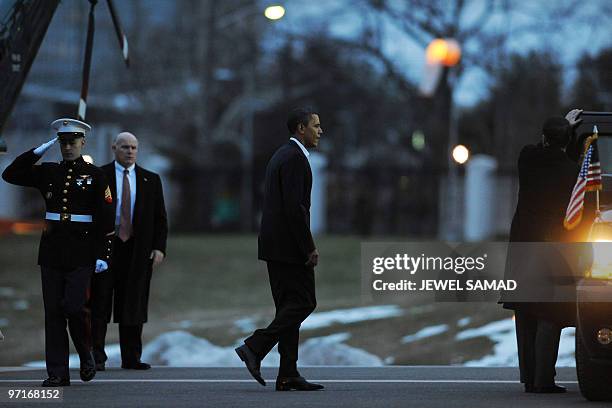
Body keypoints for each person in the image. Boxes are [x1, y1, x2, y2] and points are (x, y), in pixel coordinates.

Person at [2, 118, 115, 387]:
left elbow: (106, 217)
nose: (67, 147)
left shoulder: (96, 175)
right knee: (53, 312)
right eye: (62, 142)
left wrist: (103, 254)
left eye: (72, 142)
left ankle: (85, 353)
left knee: (74, 307)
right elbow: (11, 174)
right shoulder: (49, 172)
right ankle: (57, 373)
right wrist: (40, 149)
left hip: (82, 251)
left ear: (82, 143)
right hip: (52, 252)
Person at [235, 107, 324, 391]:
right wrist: (308, 247)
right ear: (300, 128)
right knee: (304, 303)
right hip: (288, 248)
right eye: (315, 126)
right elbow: (295, 209)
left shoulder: (282, 155)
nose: (320, 131)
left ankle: (287, 373)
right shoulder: (295, 159)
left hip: (276, 247)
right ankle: (255, 347)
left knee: (289, 307)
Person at [501, 109, 583, 393]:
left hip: (523, 243)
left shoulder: (528, 157)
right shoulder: (572, 170)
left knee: (525, 311)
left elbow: (542, 150)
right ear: (567, 140)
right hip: (552, 246)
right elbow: (564, 158)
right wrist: (570, 132)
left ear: (544, 138)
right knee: (549, 311)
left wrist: (562, 128)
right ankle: (543, 379)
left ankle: (528, 378)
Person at [90, 132, 168, 371]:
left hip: (137, 250)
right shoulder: (99, 176)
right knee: (100, 302)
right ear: (114, 148)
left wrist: (158, 248)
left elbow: (160, 218)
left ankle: (131, 357)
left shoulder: (150, 180)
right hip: (106, 248)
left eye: (134, 147)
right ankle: (96, 357)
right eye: (125, 147)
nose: (130, 151)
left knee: (133, 303)